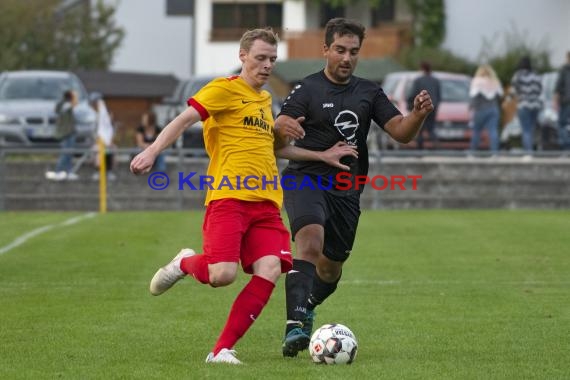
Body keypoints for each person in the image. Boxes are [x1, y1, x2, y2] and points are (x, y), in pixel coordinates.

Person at [129, 27, 351, 365]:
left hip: (266, 203)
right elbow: (184, 119)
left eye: (272, 60)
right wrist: (152, 150)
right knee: (222, 275)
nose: (266, 65)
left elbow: (275, 150)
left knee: (270, 267)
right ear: (242, 56)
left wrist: (322, 156)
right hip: (229, 198)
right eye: (260, 58)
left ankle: (221, 350)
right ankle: (184, 263)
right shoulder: (223, 89)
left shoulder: (265, 102)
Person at [272, 18, 434, 357]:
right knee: (310, 242)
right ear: (326, 50)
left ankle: (311, 303)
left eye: (354, 52)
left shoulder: (369, 92)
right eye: (340, 50)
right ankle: (294, 325)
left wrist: (417, 115)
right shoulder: (306, 91)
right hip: (306, 177)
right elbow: (278, 142)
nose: (346, 58)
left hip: (347, 189)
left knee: (331, 268)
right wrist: (279, 126)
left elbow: (401, 132)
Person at [510, 56, 542, 159]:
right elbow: (539, 90)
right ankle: (532, 150)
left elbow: (513, 92)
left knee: (526, 130)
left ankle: (528, 153)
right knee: (531, 129)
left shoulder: (518, 76)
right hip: (536, 105)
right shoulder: (536, 75)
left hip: (524, 104)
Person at [469, 64, 503, 154]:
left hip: (480, 109)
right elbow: (500, 95)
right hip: (493, 109)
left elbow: (473, 96)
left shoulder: (477, 81)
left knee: (476, 131)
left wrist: (470, 107)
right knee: (493, 131)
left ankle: (473, 153)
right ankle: (495, 153)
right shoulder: (494, 81)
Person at [46, 90, 79, 181]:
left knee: (69, 153)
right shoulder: (66, 105)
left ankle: (68, 172)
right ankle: (58, 171)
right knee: (65, 153)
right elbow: (74, 103)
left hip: (69, 132)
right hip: (66, 133)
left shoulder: (65, 105)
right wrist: (74, 97)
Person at [408, 61, 441, 149]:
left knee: (420, 129)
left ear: (422, 69)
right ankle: (436, 148)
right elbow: (439, 96)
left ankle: (420, 151)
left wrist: (410, 106)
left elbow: (412, 94)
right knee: (431, 129)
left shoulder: (418, 81)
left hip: (422, 107)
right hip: (432, 108)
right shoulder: (436, 81)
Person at [91, 93, 117, 181]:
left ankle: (109, 171)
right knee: (97, 152)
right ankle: (98, 171)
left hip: (108, 145)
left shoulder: (111, 127)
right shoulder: (99, 121)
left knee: (110, 151)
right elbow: (96, 135)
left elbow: (111, 137)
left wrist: (109, 143)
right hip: (99, 144)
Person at [554, 51, 570, 150]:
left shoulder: (564, 70)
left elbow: (558, 87)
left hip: (566, 101)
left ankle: (566, 146)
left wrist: (555, 101)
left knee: (561, 124)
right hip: (566, 101)